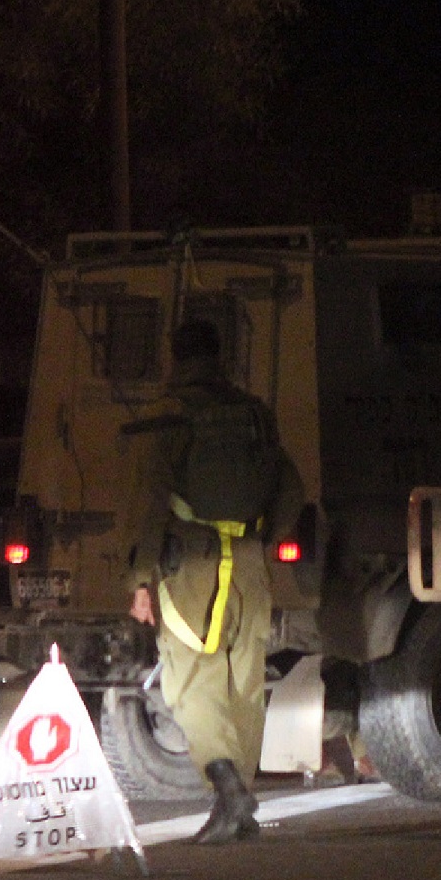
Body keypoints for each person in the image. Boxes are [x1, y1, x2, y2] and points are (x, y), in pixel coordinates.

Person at [125, 319, 304, 844]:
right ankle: (238, 805)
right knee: (244, 684)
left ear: (175, 357)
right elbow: (291, 487)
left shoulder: (172, 416)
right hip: (249, 565)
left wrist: (139, 578)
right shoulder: (254, 414)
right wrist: (266, 536)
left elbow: (152, 502)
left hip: (195, 569)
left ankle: (227, 787)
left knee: (191, 682)